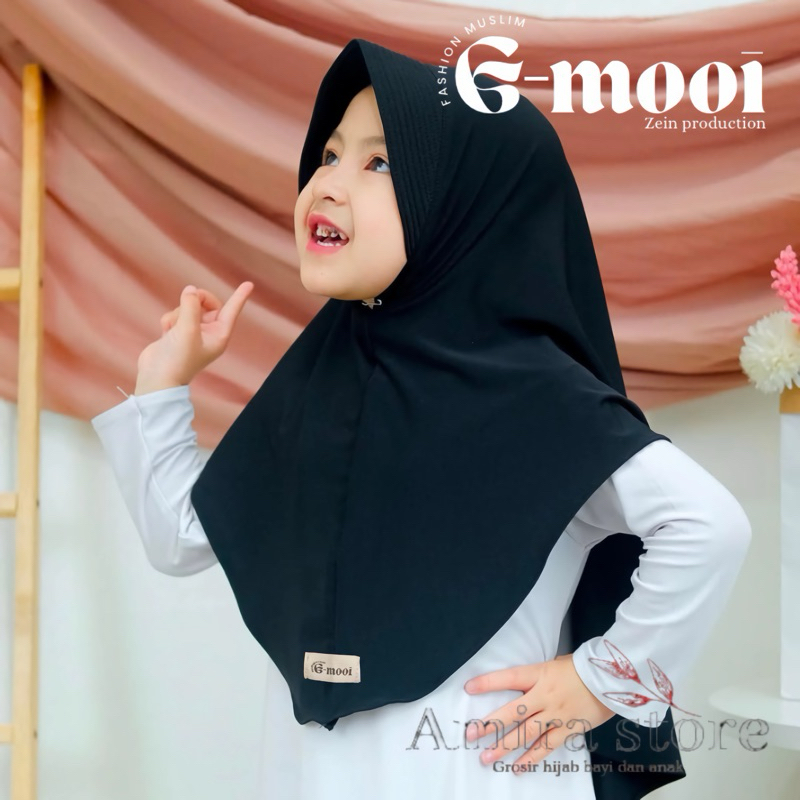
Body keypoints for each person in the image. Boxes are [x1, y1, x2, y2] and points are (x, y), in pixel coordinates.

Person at [90, 39, 752, 800]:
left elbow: (709, 527)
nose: (326, 184)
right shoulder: (320, 381)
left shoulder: (538, 398)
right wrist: (161, 386)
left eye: (379, 162)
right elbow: (185, 538)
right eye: (329, 154)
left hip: (479, 771)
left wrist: (605, 680)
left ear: (466, 202)